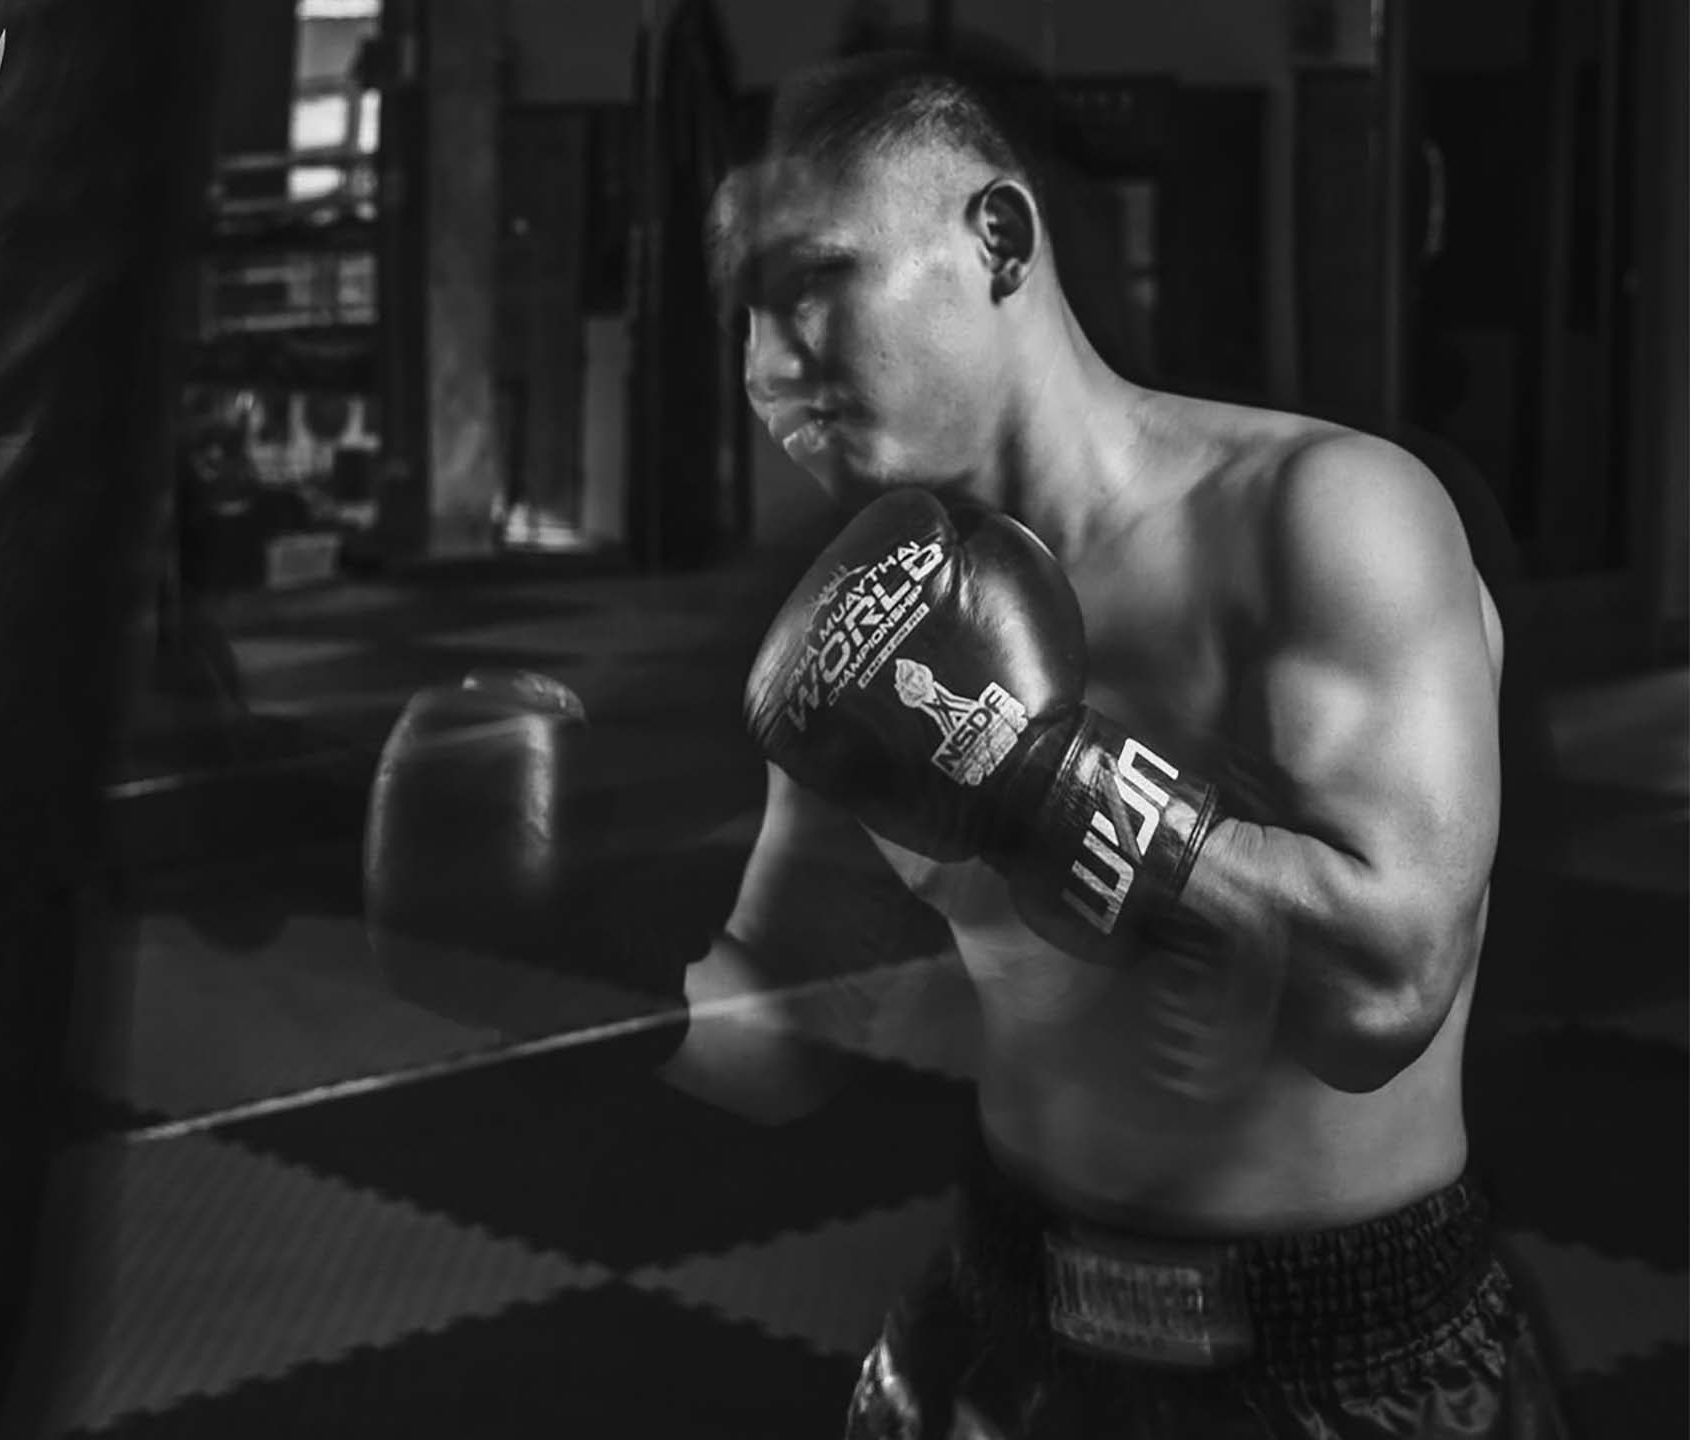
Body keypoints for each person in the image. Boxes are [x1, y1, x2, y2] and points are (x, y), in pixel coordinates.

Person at [671, 52, 1569, 1438]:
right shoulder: (869, 628)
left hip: (1342, 1368)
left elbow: (1384, 993)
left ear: (999, 240)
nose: (767, 368)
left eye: (812, 287)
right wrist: (574, 938)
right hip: (1004, 1324)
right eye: (745, 316)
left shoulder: (1324, 516)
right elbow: (782, 1026)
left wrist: (1049, 778)